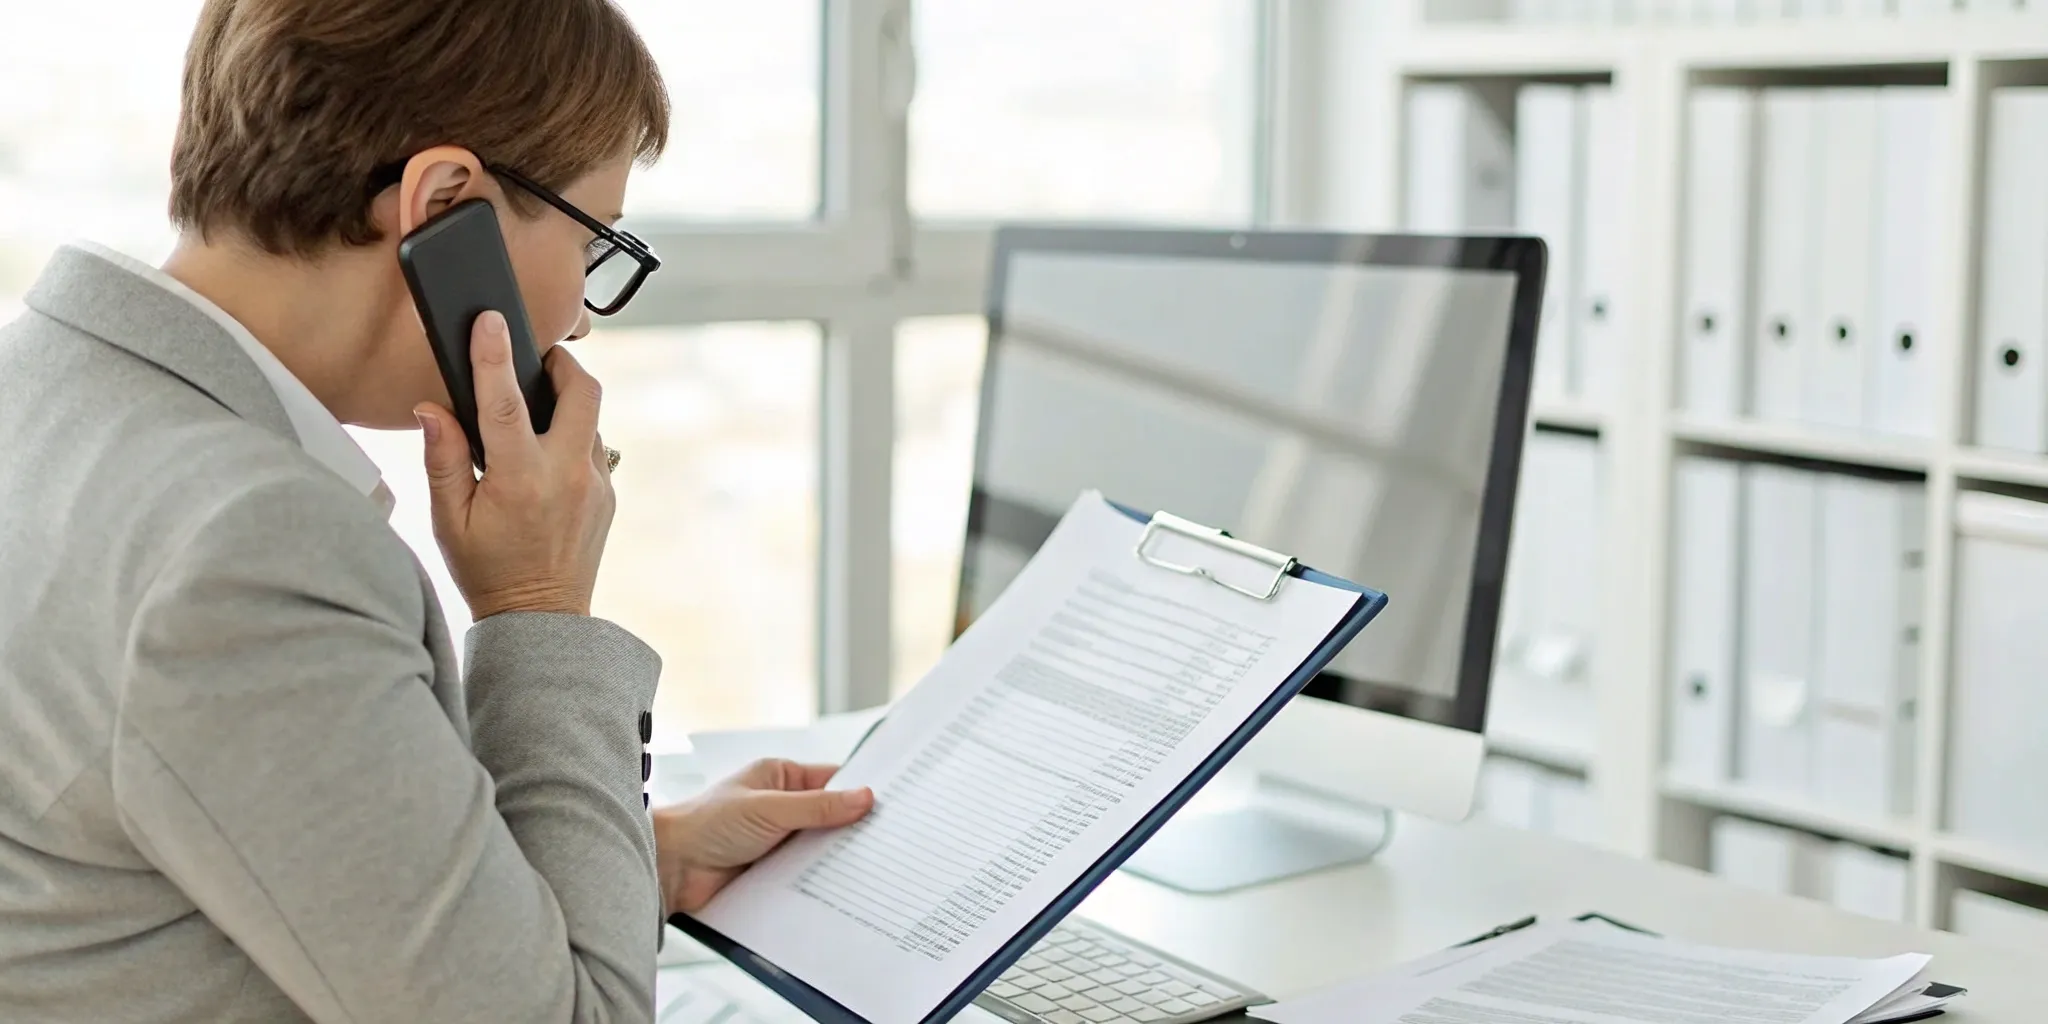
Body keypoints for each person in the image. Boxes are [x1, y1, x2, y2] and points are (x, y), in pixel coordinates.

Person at [0, 1, 873, 1020]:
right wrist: (538, 607)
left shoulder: (41, 393)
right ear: (445, 201)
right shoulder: (248, 545)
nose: (580, 319)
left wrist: (645, 858)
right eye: (594, 245)